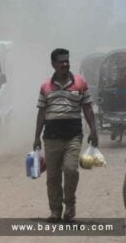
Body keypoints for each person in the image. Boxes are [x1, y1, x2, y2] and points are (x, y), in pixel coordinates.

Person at [33, 48, 98, 223]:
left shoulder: (80, 83)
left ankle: (70, 204)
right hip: (51, 138)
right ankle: (55, 211)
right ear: (53, 64)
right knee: (52, 176)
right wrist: (36, 137)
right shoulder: (45, 86)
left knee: (70, 170)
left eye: (67, 61)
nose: (65, 64)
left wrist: (94, 130)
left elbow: (87, 108)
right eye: (61, 61)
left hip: (73, 137)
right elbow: (41, 113)